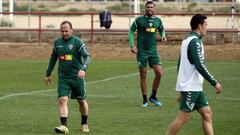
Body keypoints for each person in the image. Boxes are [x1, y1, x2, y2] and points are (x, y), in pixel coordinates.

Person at [165, 14, 223, 135]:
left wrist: (181, 87)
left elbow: (179, 64)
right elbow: (199, 65)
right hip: (191, 87)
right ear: (199, 26)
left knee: (207, 114)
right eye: (206, 25)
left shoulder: (187, 40)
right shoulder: (195, 42)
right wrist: (214, 82)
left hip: (194, 87)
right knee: (183, 118)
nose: (207, 28)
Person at [44, 21, 91, 134]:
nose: (64, 33)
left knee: (81, 101)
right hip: (63, 77)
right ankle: (64, 126)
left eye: (66, 31)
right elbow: (53, 58)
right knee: (62, 100)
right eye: (62, 31)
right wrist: (48, 73)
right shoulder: (57, 43)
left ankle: (84, 123)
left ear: (71, 30)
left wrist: (83, 69)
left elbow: (87, 56)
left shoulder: (78, 43)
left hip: (76, 78)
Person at [128, 0, 167, 107]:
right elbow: (131, 31)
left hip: (153, 52)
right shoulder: (139, 20)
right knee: (143, 75)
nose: (149, 9)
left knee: (159, 73)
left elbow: (162, 29)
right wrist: (132, 45)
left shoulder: (158, 21)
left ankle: (153, 96)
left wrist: (163, 35)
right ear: (145, 8)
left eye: (151, 7)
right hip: (142, 52)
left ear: (154, 8)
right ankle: (145, 100)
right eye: (148, 7)